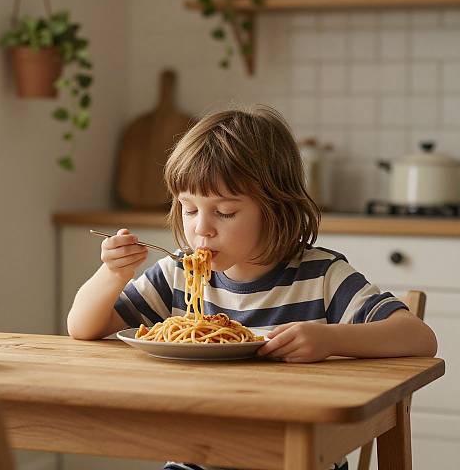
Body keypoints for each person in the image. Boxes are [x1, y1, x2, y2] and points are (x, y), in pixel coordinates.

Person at [67, 106, 437, 470]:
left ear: (276, 208)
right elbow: (83, 327)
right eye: (188, 208)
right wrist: (112, 274)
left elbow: (418, 337)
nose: (201, 228)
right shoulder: (178, 273)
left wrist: (331, 340)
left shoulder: (320, 275)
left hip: (301, 457)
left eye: (224, 212)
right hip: (196, 457)